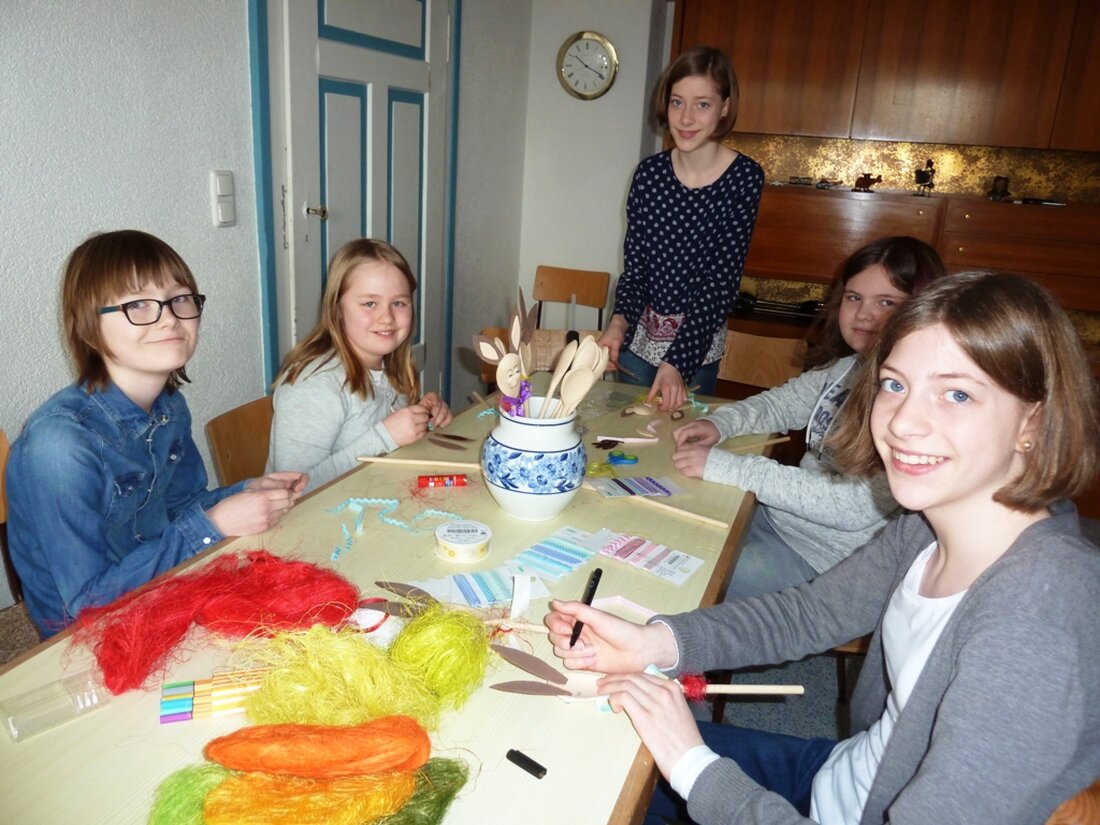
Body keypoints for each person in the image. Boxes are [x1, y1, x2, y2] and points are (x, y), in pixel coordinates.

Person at [546, 271, 1100, 825]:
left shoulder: (1036, 624)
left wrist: (692, 766)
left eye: (957, 394)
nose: (904, 423)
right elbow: (809, 613)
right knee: (586, 753)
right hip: (843, 776)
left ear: (1035, 418)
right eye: (895, 384)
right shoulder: (931, 523)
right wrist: (655, 642)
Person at [6, 230, 307, 638]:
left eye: (180, 299)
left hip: (166, 587)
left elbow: (184, 505)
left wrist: (246, 490)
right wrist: (214, 524)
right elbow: (86, 607)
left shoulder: (168, 406)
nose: (169, 317)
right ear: (89, 327)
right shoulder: (59, 446)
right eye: (138, 305)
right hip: (89, 640)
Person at [671, 236, 946, 598]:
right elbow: (778, 405)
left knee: (690, 582)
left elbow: (851, 506)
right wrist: (718, 424)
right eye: (854, 298)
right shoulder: (848, 368)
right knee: (675, 533)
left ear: (921, 311)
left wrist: (726, 467)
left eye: (887, 302)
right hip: (780, 521)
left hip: (828, 563)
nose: (864, 314)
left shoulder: (914, 407)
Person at [598, 46, 764, 412]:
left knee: (679, 451)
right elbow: (636, 267)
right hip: (637, 348)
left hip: (695, 353)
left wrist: (677, 362)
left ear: (724, 107)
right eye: (677, 102)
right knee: (625, 446)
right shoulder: (650, 175)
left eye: (702, 104)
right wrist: (618, 324)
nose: (686, 118)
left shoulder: (743, 179)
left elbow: (720, 284)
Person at [267, 238, 451, 492]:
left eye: (398, 303)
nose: (386, 318)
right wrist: (385, 437)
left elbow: (390, 438)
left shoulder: (389, 365)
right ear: (337, 309)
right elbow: (292, 490)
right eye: (369, 304)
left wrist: (425, 417)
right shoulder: (312, 385)